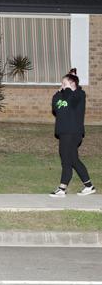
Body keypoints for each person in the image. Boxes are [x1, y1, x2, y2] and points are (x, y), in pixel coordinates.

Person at [50, 68, 96, 197]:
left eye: (64, 83)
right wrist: (61, 89)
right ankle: (89, 186)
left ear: (73, 84)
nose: (62, 86)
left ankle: (62, 188)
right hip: (64, 132)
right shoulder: (61, 95)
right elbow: (55, 106)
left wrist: (69, 86)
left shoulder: (79, 95)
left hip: (73, 132)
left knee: (66, 159)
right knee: (73, 160)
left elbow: (71, 98)